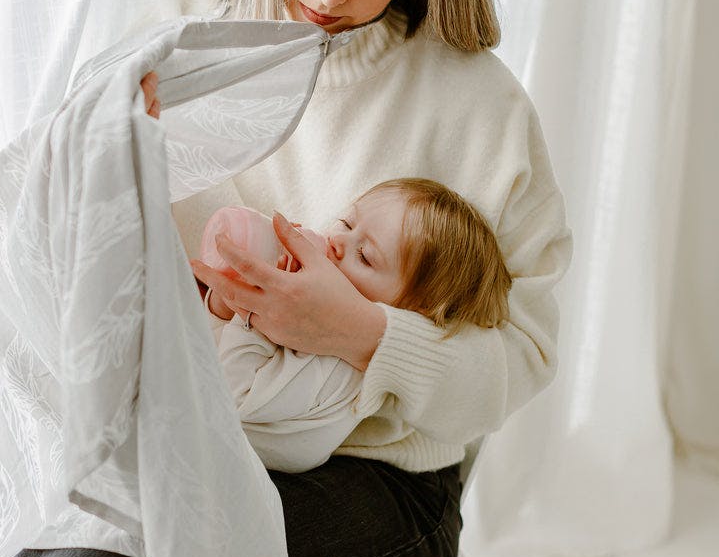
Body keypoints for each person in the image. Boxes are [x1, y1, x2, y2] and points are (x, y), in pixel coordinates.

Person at [0, 0, 572, 557]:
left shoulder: (480, 107)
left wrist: (359, 333)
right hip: (179, 440)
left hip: (376, 480)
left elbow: (522, 359)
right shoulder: (179, 46)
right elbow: (50, 243)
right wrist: (111, 148)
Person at [202, 178, 512, 474]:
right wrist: (227, 296)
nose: (337, 241)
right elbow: (208, 349)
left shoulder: (340, 371)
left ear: (409, 311)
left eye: (364, 256)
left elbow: (231, 397)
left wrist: (246, 317)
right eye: (347, 224)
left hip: (235, 460)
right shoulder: (305, 311)